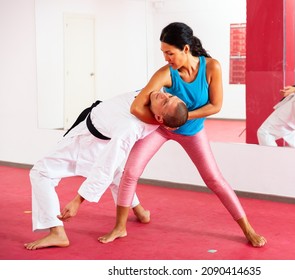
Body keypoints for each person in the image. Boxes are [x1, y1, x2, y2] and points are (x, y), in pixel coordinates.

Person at [98, 22, 267, 248]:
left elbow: (216, 106)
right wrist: (166, 124)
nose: (166, 58)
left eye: (170, 53)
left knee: (215, 180)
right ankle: (120, 227)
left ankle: (248, 229)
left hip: (192, 132)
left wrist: (185, 118)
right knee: (130, 172)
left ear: (185, 49)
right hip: (161, 130)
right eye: (163, 53)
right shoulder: (166, 73)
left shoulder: (211, 67)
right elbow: (136, 107)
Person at [24, 90, 188, 250]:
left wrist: (77, 201)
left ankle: (56, 231)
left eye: (165, 101)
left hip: (88, 143)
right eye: (170, 95)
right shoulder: (152, 95)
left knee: (41, 172)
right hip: (90, 130)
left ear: (159, 118)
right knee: (117, 176)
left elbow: (105, 168)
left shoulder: (130, 128)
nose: (163, 95)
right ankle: (140, 212)